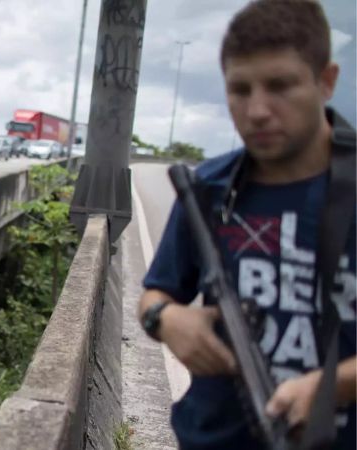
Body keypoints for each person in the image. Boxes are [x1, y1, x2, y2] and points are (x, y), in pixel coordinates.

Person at [137, 1, 356, 448]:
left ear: (326, 81)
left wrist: (331, 386)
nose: (257, 110)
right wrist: (168, 318)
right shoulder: (210, 187)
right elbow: (155, 295)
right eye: (240, 89)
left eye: (280, 86)